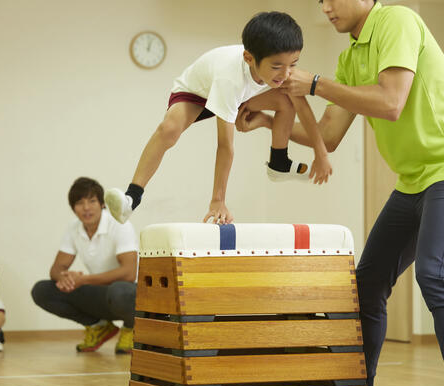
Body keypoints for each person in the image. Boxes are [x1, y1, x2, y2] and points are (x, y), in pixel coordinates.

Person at [236, 1, 444, 386]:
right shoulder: (351, 56)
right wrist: (269, 122)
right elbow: (329, 135)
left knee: (435, 275)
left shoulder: (397, 20)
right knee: (367, 286)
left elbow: (391, 103)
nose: (326, 7)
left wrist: (316, 84)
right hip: (412, 183)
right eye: (320, 0)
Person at [105, 11, 332, 226]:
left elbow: (303, 108)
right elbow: (225, 146)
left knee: (287, 100)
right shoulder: (229, 80)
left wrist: (320, 154)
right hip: (197, 93)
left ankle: (279, 161)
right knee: (168, 129)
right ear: (249, 58)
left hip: (243, 95)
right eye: (276, 66)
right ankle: (131, 198)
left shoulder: (284, 75)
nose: (285, 74)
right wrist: (218, 200)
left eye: (293, 64)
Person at [31, 177, 138, 354]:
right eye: (80, 203)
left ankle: (132, 328)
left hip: (130, 294)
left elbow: (129, 273)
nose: (86, 208)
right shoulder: (73, 228)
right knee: (42, 290)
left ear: (102, 204)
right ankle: (98, 326)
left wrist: (84, 279)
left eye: (92, 201)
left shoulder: (119, 224)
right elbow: (56, 269)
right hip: (100, 292)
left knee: (120, 290)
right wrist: (66, 278)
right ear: (73, 208)